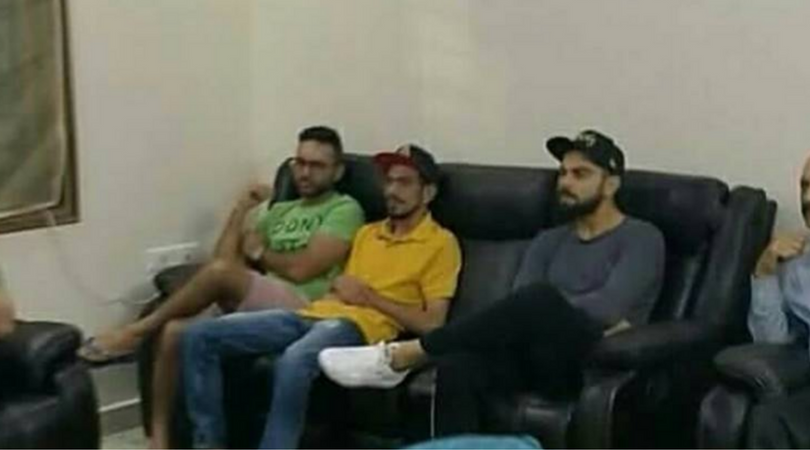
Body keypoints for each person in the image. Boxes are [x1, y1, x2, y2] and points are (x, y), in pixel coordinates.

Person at [320, 130, 666, 437]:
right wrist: (540, 310)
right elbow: (519, 300)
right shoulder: (548, 239)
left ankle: (405, 355)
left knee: (540, 298)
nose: (566, 183)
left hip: (591, 361)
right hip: (532, 353)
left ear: (611, 184)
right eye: (563, 173)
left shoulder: (642, 238)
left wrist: (548, 307)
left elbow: (606, 308)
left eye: (581, 174)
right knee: (458, 366)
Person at [80, 125, 365, 448]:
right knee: (174, 332)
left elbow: (301, 270)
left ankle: (134, 333)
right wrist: (240, 210)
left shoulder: (344, 209)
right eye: (299, 163)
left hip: (300, 307)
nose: (304, 173)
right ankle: (160, 440)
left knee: (212, 282)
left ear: (337, 171)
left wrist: (259, 252)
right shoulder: (280, 210)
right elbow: (223, 261)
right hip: (259, 297)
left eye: (317, 165)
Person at [180, 145, 462, 449]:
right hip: (314, 314)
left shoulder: (441, 244)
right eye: (389, 181)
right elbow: (339, 286)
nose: (392, 191)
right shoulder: (367, 233)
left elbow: (433, 325)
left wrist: (369, 298)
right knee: (200, 335)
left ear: (428, 193)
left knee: (294, 359)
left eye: (404, 182)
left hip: (363, 328)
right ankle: (208, 443)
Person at [743, 153, 810, 448]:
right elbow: (771, 341)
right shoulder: (797, 267)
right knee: (768, 420)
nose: (807, 198)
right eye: (804, 186)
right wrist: (765, 271)